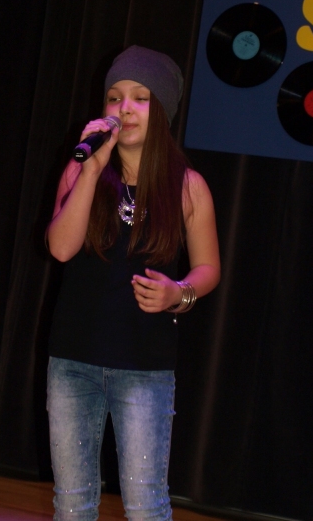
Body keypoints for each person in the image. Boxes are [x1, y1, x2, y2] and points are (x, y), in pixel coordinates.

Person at [46, 45, 220, 521]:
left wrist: (178, 293)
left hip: (144, 368)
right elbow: (60, 248)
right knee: (72, 504)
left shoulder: (187, 186)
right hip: (73, 362)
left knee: (145, 506)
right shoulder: (81, 170)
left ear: (161, 111)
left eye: (140, 98)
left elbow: (208, 268)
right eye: (114, 97)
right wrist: (90, 170)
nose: (124, 108)